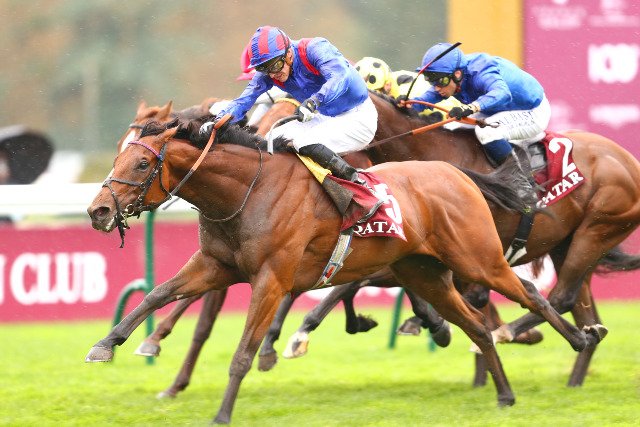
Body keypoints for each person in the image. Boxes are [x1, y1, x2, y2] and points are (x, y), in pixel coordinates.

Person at [201, 26, 383, 213]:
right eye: (265, 70)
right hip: (324, 116)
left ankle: (361, 192)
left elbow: (340, 77)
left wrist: (314, 102)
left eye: (275, 66)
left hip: (358, 117)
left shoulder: (315, 48)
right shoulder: (271, 69)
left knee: (303, 142)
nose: (273, 75)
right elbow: (244, 100)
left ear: (288, 53)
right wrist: (217, 122)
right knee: (272, 139)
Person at [406, 43, 550, 193]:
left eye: (440, 81)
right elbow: (435, 93)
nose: (437, 87)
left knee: (488, 132)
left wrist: (471, 107)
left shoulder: (481, 71)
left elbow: (502, 93)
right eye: (432, 81)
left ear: (457, 74)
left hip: (532, 110)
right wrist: (413, 104)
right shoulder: (453, 76)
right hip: (496, 109)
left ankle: (523, 186)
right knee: (450, 129)